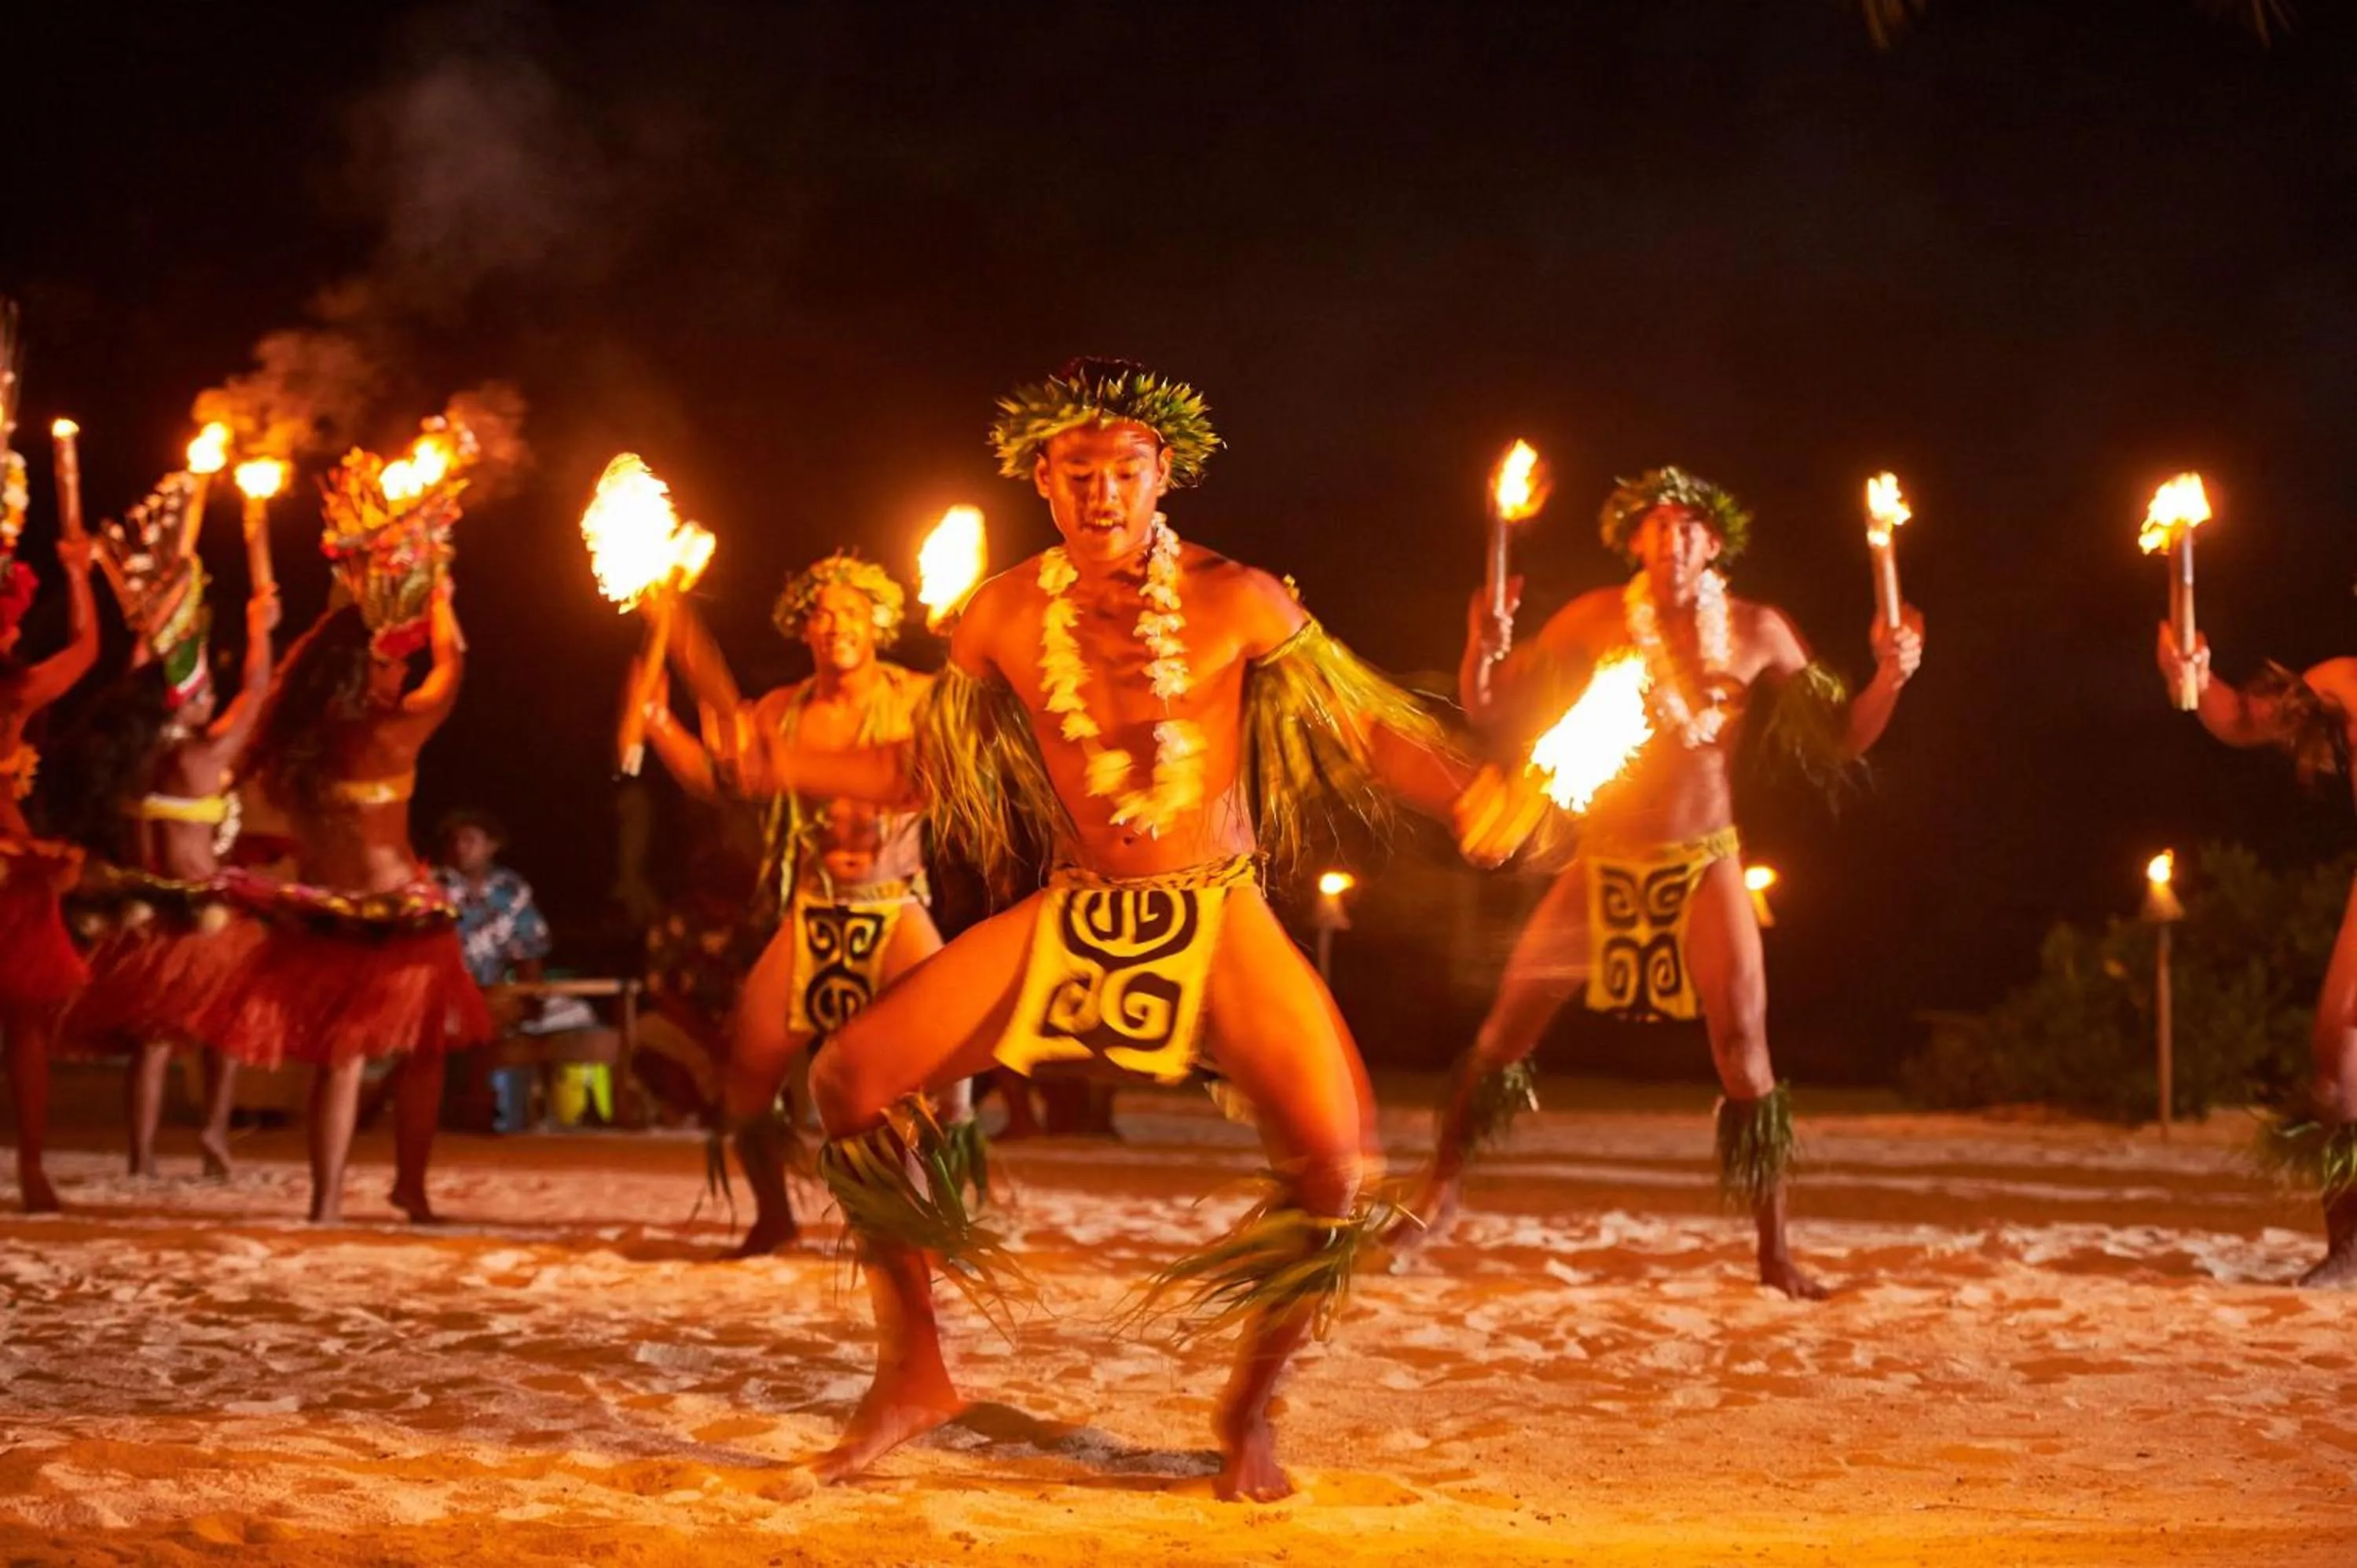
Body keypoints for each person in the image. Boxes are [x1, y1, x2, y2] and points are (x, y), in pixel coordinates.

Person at [722, 358, 1470, 1500]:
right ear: (1041, 479)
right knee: (850, 1079)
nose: (1101, 493)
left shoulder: (1238, 596)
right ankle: (914, 1373)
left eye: (1124, 469)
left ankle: (1250, 1408)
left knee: (1335, 1165)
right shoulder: (1002, 614)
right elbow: (928, 769)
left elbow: (1362, 729)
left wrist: (1469, 795)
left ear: (1164, 473)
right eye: (1077, 472)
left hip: (1215, 906)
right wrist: (788, 764)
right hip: (1076, 905)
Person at [1401, 466, 1924, 1299]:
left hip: (1705, 859)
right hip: (1604, 858)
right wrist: (1482, 646)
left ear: (1714, 545)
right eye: (1659, 526)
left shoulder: (1757, 630)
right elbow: (1493, 710)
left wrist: (1890, 676)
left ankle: (1775, 1251)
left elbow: (1838, 739)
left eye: (1690, 529)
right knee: (1505, 1031)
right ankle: (1438, 1195)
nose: (1674, 541)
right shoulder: (1593, 618)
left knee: (1744, 1051)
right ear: (1635, 541)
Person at [640, 551, 966, 1256]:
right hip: (815, 908)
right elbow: (724, 777)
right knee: (747, 1073)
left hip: (894, 904)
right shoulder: (779, 711)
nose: (835, 624)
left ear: (878, 624)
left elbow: (922, 777)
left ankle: (932, 1219)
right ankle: (773, 1215)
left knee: (945, 1078)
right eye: (821, 613)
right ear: (802, 628)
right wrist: (660, 722)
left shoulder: (918, 696)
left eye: (851, 611)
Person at [200, 437, 490, 1223]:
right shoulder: (391, 735)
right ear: (364, 671)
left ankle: (327, 1202)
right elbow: (453, 668)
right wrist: (440, 589)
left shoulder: (298, 743)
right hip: (397, 916)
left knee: (342, 1060)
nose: (398, 666)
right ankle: (409, 1187)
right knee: (420, 1049)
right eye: (386, 658)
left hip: (323, 915)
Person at [60, 474, 278, 1178]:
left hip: (140, 916)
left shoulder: (134, 752)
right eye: (204, 690)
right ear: (184, 701)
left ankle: (143, 1153)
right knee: (224, 1031)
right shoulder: (200, 756)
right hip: (198, 916)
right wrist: (261, 626)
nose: (213, 697)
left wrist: (152, 626)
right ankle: (213, 1135)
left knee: (154, 1041)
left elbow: (142, 672)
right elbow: (258, 690)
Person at [2158, 623, 2357, 1288]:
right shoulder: (2345, 682)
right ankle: (2352, 1244)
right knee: (2341, 1061)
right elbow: (2244, 720)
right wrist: (2195, 675)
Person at [0, 485, 100, 1213]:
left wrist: (75, 572)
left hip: (14, 869)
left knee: (29, 1024)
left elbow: (86, 653)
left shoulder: (18, 692)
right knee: (26, 1026)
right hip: (13, 864)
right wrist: (78, 574)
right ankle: (32, 1168)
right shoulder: (18, 694)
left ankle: (34, 1166)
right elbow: (87, 649)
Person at [434, 808, 554, 1131]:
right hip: (440, 994)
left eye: (470, 839)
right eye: (455, 840)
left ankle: (489, 1107)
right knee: (477, 1020)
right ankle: (476, 1107)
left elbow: (530, 951)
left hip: (494, 993)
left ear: (492, 845)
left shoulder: (510, 890)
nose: (460, 847)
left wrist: (531, 997)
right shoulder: (434, 887)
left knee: (573, 1016)